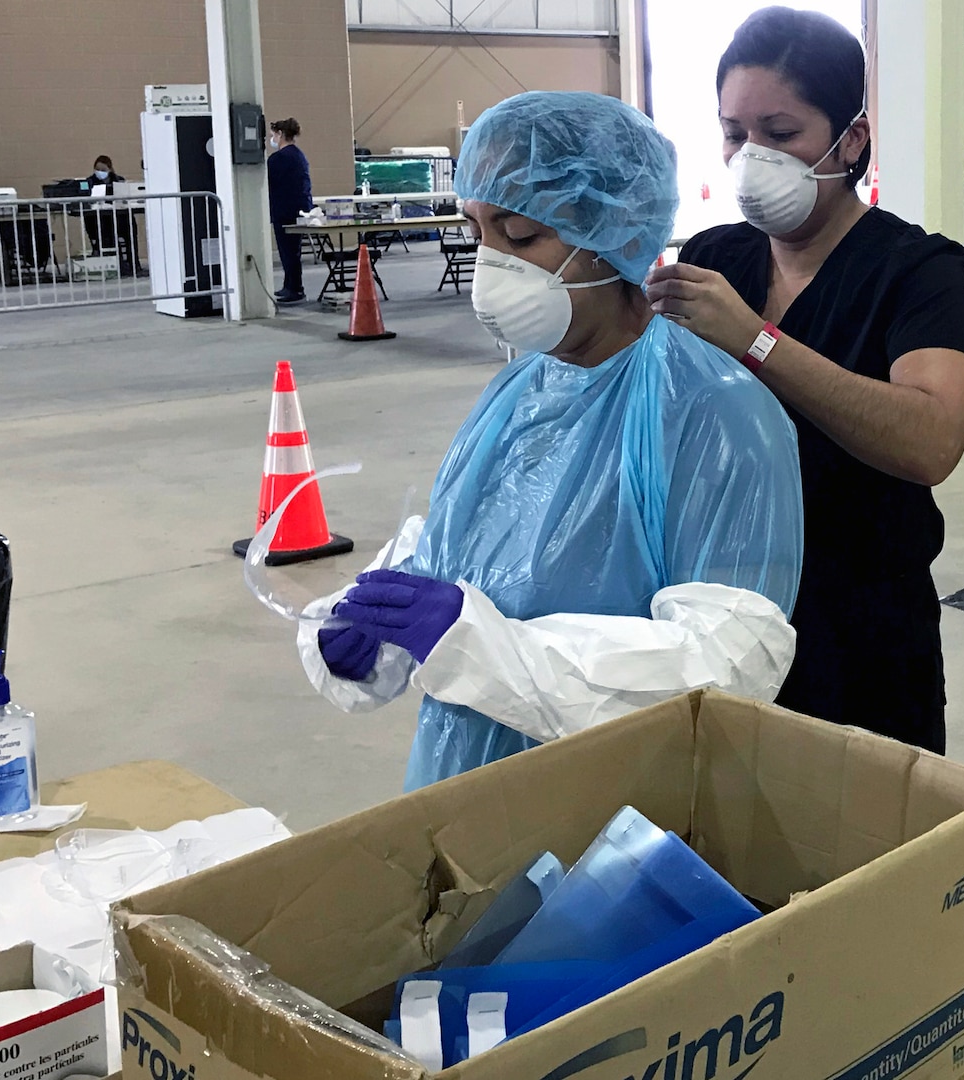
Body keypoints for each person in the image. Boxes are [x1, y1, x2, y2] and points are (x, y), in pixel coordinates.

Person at [296, 91, 805, 790]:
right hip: (459, 792)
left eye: (522, 237)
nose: (492, 266)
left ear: (613, 231)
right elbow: (458, 538)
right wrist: (379, 621)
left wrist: (473, 645)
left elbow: (726, 665)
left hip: (616, 829)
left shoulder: (713, 413)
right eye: (479, 233)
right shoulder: (519, 389)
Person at [645, 7, 964, 754]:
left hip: (860, 629)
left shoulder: (914, 270)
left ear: (850, 139)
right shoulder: (715, 257)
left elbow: (931, 440)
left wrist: (755, 340)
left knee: (861, 846)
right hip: (722, 615)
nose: (750, 156)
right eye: (734, 133)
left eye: (780, 132)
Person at [267, 118, 313, 304]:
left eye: (273, 135)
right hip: (299, 208)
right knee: (292, 251)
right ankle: (290, 285)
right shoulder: (299, 155)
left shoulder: (279, 159)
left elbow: (267, 183)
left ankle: (295, 288)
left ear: (280, 134)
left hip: (285, 210)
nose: (272, 139)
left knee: (288, 251)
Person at [81, 154, 139, 275]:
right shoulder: (90, 182)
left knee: (130, 225)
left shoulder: (118, 180)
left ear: (110, 169)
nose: (100, 172)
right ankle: (116, 263)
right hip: (100, 220)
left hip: (118, 217)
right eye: (97, 169)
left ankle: (133, 263)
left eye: (103, 170)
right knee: (105, 227)